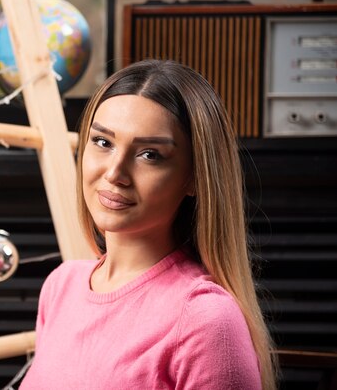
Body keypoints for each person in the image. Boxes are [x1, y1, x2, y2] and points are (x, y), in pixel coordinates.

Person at [20, 59, 277, 389]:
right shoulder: (61, 287)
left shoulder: (206, 318)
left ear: (195, 178)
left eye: (150, 154)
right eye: (103, 142)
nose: (114, 173)